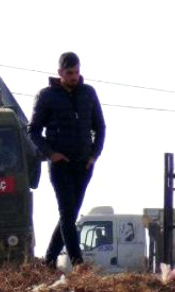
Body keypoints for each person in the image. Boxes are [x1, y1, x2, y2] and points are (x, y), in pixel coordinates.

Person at [28, 52, 106, 268]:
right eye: (70, 73)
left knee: (69, 215)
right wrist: (50, 153)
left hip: (84, 164)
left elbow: (100, 127)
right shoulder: (46, 96)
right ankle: (78, 263)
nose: (74, 77)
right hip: (60, 164)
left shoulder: (88, 93)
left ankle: (49, 261)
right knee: (67, 212)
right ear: (60, 73)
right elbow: (33, 131)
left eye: (77, 72)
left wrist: (94, 155)